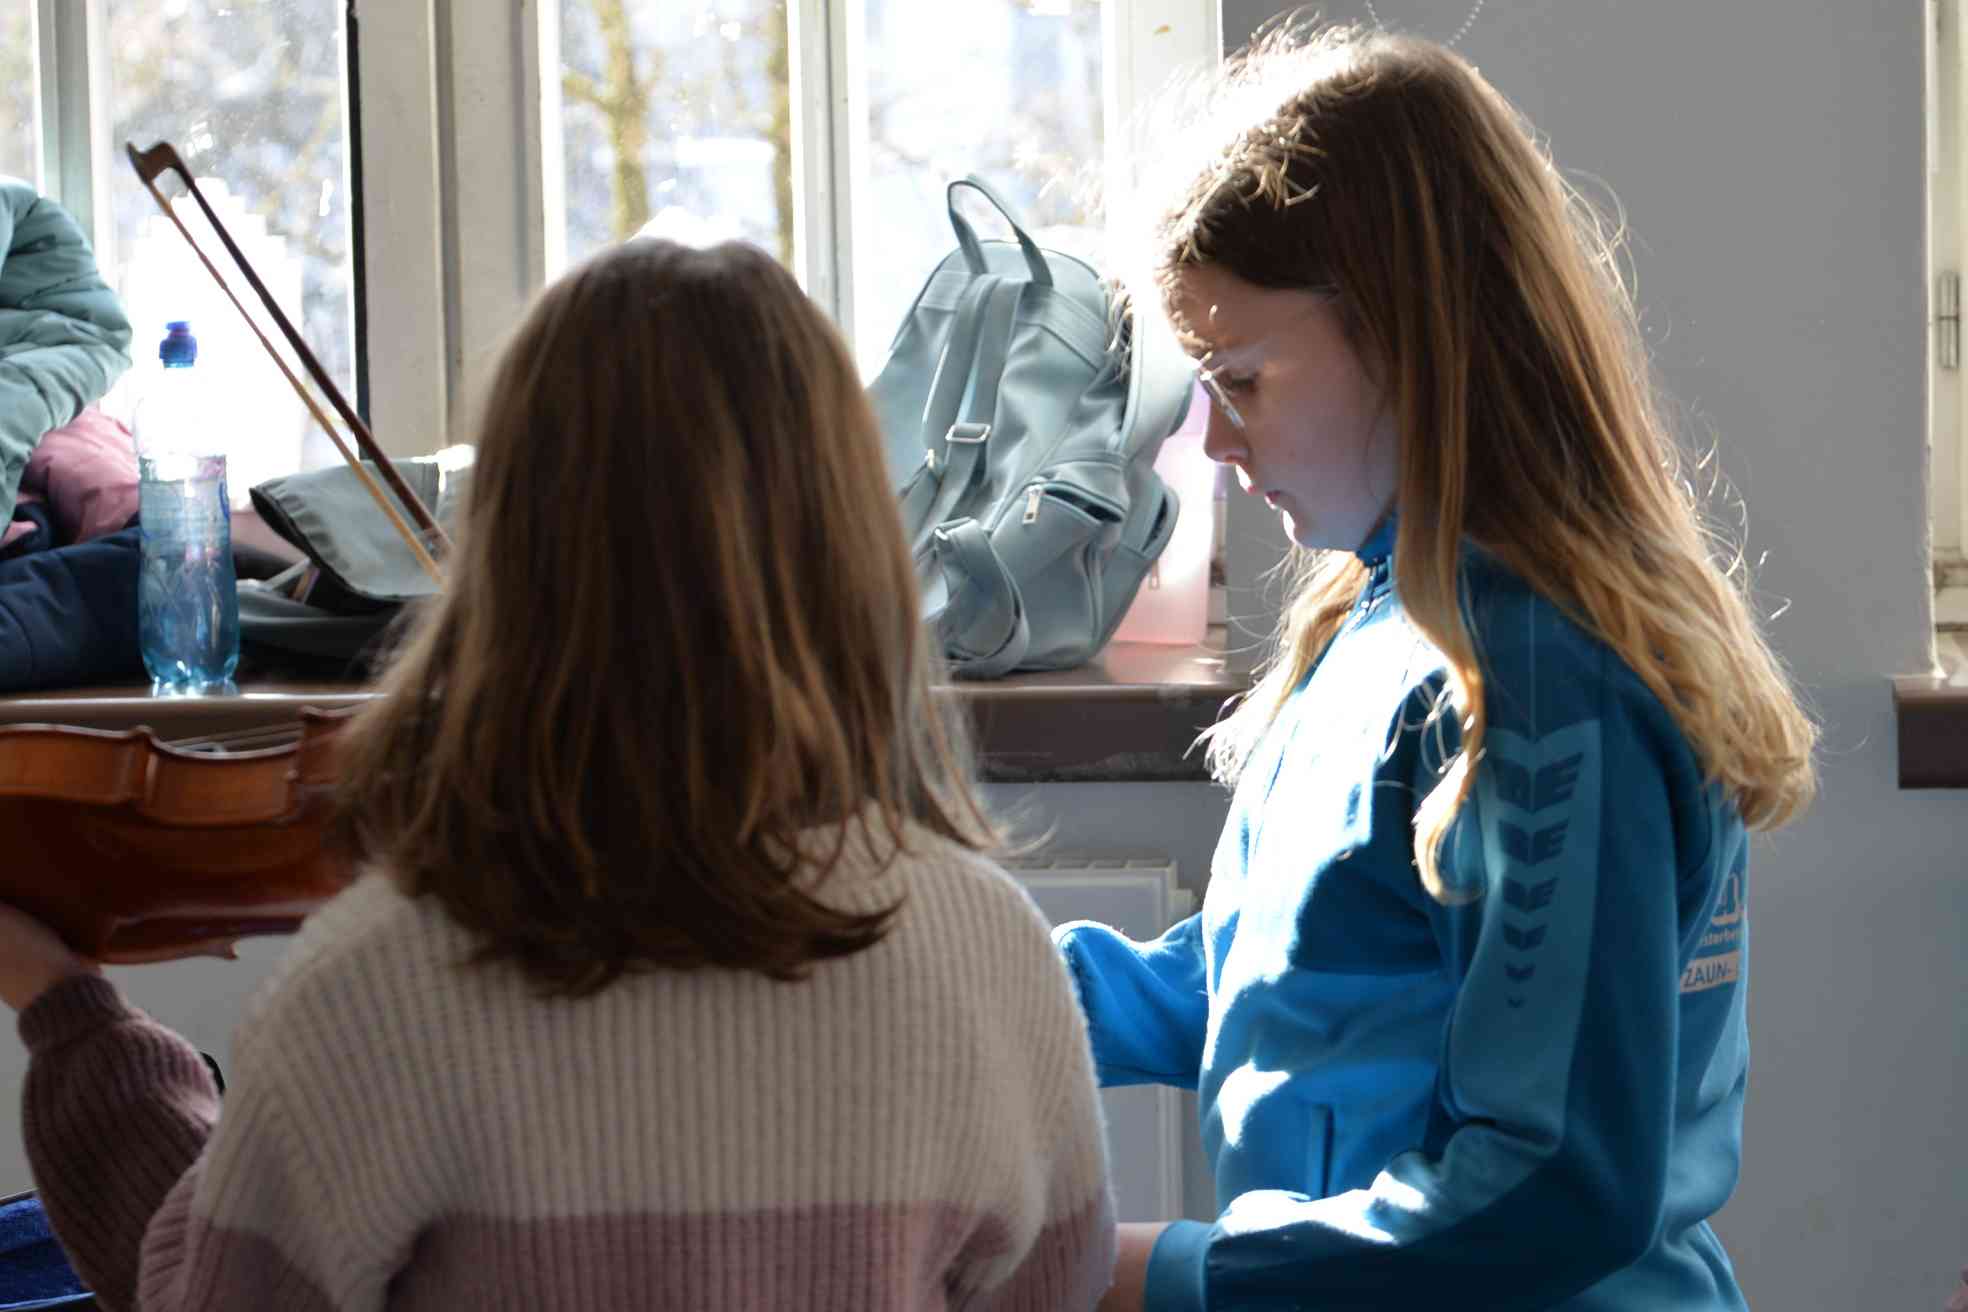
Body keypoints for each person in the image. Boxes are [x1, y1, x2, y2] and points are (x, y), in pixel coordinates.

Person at [0, 237, 1116, 1310]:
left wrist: (70, 1013)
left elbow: (205, 1297)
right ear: (856, 542)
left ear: (506, 552)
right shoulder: (992, 951)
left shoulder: (386, 982)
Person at [1056, 22, 1819, 1311]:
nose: (1220, 444)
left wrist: (1162, 1274)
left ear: (1411, 337)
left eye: (1243, 380)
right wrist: (993, 990)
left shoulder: (1542, 683)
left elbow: (1551, 1182)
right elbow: (1288, 975)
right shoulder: (1376, 627)